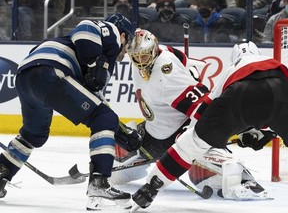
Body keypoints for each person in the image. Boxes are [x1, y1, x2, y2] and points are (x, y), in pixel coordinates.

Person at [0, 14, 143, 210]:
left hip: (26, 77)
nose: (126, 52)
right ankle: (99, 183)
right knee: (104, 118)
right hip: (50, 71)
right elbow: (86, 26)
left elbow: (94, 100)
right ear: (124, 36)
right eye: (128, 42)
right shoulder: (111, 32)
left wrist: (120, 132)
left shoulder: (95, 53)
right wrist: (94, 63)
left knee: (34, 135)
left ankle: (2, 171)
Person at [129, 40, 286, 210]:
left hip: (240, 91)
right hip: (280, 87)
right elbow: (270, 105)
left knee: (192, 143)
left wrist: (193, 137)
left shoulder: (231, 69)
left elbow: (205, 109)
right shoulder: (274, 63)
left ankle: (150, 189)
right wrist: (268, 132)